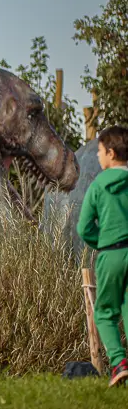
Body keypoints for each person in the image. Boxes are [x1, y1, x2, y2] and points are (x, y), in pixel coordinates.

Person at [77, 125, 128, 387]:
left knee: (105, 312)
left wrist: (105, 241)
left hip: (111, 253)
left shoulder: (99, 185)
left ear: (110, 152)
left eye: (99, 151)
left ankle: (119, 362)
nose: (97, 156)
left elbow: (84, 227)